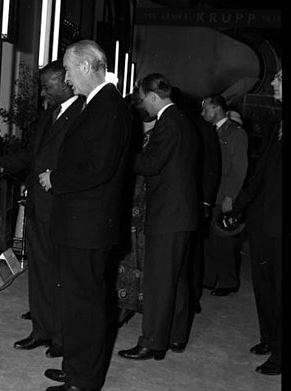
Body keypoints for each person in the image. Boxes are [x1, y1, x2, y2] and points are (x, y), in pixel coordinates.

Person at [38, 40, 132, 391]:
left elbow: (99, 168)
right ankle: (75, 366)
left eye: (67, 69)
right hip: (81, 223)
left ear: (86, 67)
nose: (65, 77)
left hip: (88, 225)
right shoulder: (96, 105)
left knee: (87, 302)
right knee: (78, 299)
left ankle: (85, 380)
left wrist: (56, 179)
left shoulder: (107, 108)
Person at [0, 61, 84, 358]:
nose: (43, 92)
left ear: (66, 82)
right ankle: (41, 330)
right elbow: (34, 155)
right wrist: (3, 164)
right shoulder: (48, 116)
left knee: (61, 277)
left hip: (61, 208)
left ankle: (61, 337)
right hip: (38, 207)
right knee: (40, 273)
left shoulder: (83, 114)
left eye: (48, 86)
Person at [118, 73, 199, 361]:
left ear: (153, 96)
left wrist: (119, 154)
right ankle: (176, 336)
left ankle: (152, 343)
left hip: (168, 215)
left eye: (142, 100)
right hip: (182, 215)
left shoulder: (168, 123)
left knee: (159, 281)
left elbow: (150, 164)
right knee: (175, 279)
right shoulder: (183, 120)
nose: (143, 106)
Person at [231, 68, 282, 375]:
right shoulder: (278, 120)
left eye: (279, 78)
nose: (273, 82)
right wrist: (239, 206)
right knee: (265, 285)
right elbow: (262, 173)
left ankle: (280, 353)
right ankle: (269, 338)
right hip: (264, 218)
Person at [200, 94, 248, 295]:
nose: (203, 113)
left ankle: (228, 282)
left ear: (217, 109)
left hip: (224, 195)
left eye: (206, 109)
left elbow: (240, 168)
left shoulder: (236, 133)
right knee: (210, 241)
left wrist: (230, 196)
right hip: (212, 194)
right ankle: (209, 278)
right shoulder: (210, 132)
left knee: (225, 242)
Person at [115, 89, 155, 325]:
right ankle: (124, 302)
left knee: (142, 255)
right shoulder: (131, 132)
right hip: (128, 198)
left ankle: (136, 303)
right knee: (126, 255)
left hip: (148, 203)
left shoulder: (160, 132)